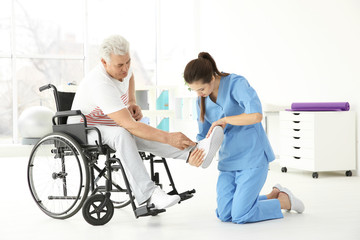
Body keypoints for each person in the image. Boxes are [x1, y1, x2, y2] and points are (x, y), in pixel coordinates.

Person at [68, 35, 223, 210]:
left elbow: (130, 76)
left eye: (128, 61)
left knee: (132, 132)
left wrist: (132, 101)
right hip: (85, 129)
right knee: (124, 133)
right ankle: (149, 194)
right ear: (104, 62)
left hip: (110, 124)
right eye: (120, 65)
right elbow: (130, 125)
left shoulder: (124, 69)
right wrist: (169, 137)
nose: (125, 68)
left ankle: (196, 153)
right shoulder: (100, 84)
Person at [184, 52, 305, 224]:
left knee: (240, 215)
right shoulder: (201, 101)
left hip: (252, 157)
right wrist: (193, 153)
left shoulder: (236, 84)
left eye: (201, 89)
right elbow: (203, 135)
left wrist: (226, 120)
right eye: (194, 90)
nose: (198, 94)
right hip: (228, 161)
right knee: (225, 214)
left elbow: (256, 115)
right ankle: (273, 195)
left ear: (212, 77)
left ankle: (284, 200)